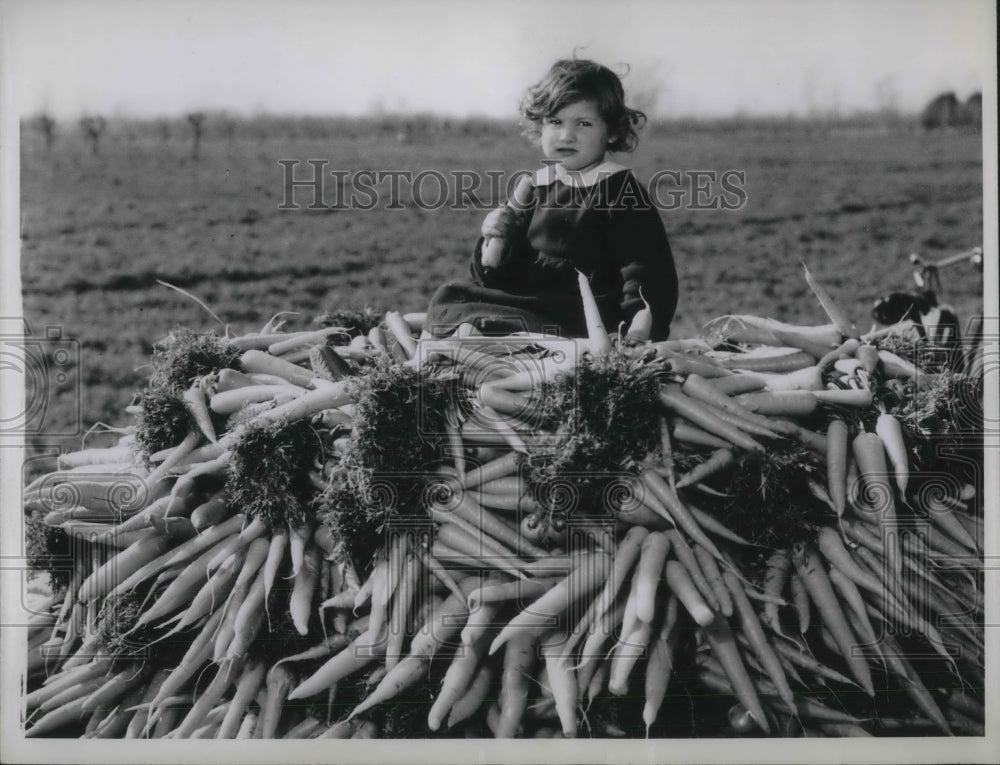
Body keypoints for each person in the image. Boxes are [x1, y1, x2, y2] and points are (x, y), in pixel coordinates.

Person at [425, 58, 679, 340]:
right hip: (531, 301)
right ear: (539, 126)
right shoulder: (536, 186)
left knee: (492, 323)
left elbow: (645, 273)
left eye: (583, 123)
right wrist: (493, 240)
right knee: (451, 296)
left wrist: (636, 331)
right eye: (555, 122)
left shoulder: (619, 188)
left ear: (613, 131)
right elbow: (492, 276)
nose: (566, 135)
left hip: (583, 313)